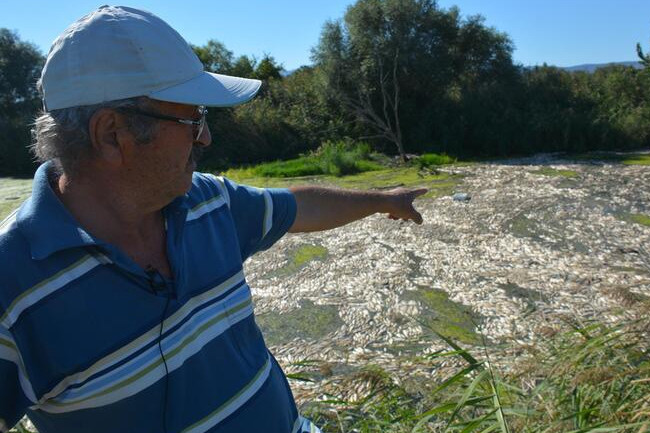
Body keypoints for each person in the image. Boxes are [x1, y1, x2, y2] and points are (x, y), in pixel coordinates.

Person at [0, 6, 426, 433]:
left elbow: (300, 206)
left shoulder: (208, 201)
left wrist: (383, 200)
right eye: (193, 119)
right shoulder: (10, 286)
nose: (205, 136)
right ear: (112, 134)